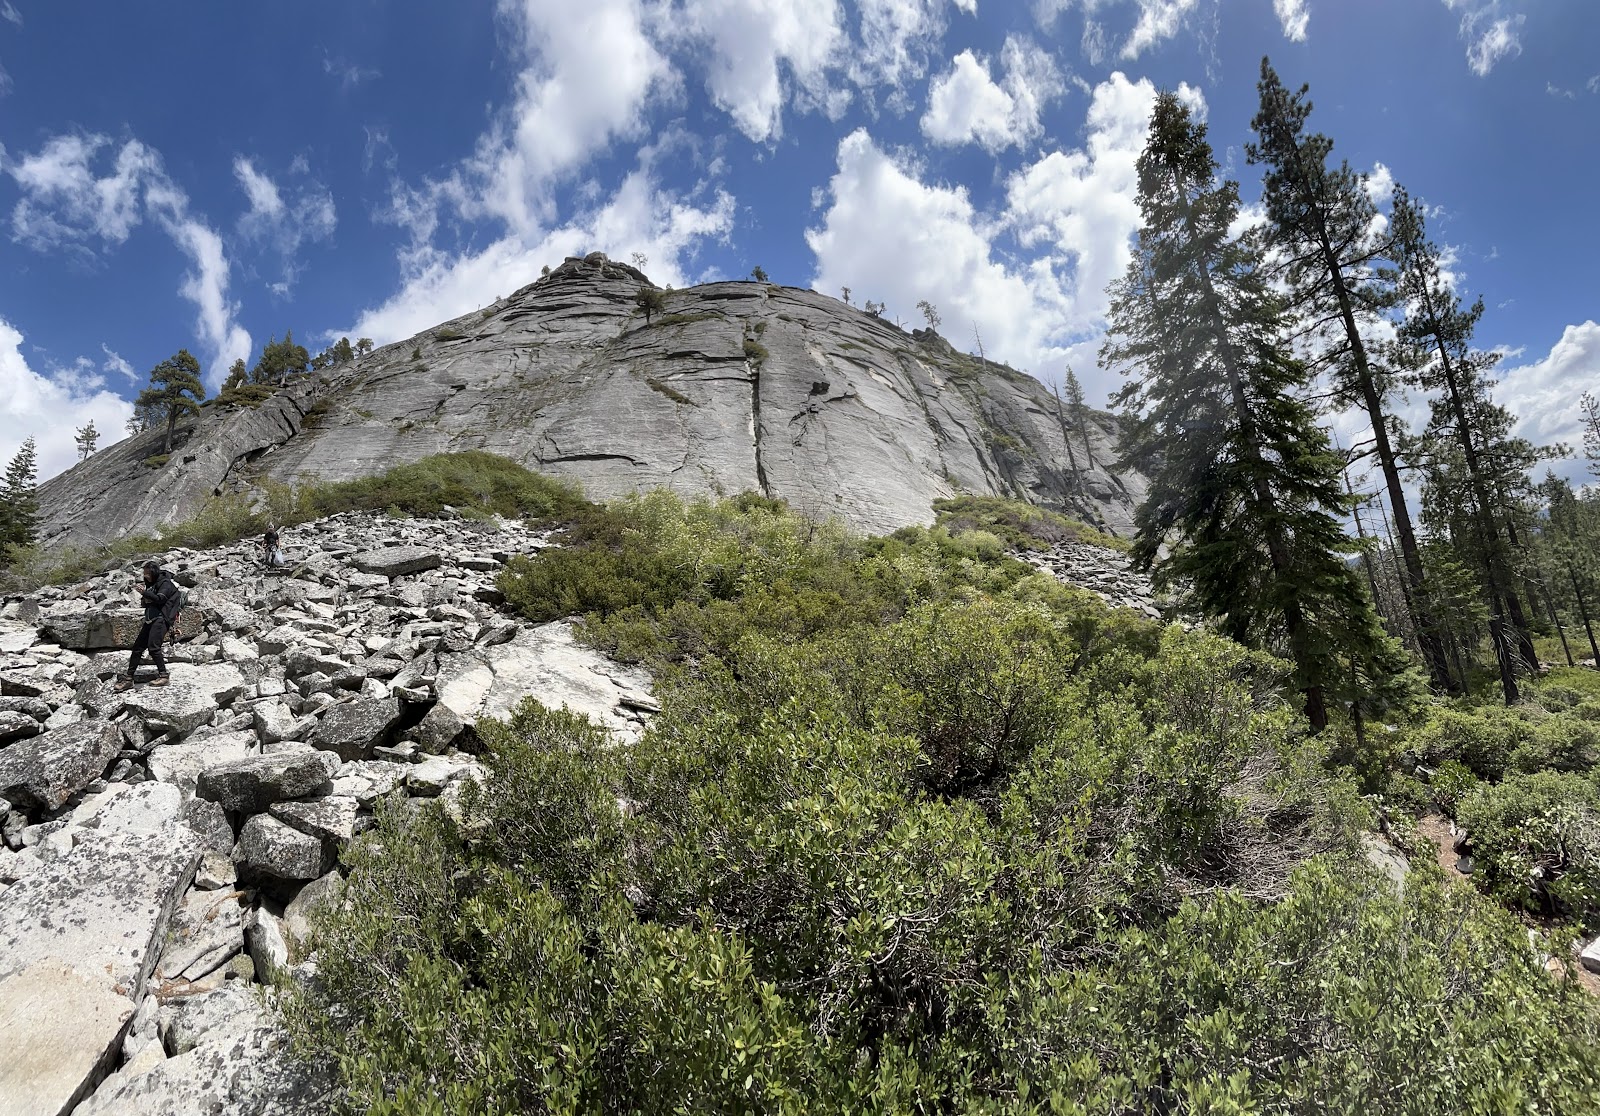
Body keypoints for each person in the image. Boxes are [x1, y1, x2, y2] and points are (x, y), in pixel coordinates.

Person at [115, 561, 180, 690]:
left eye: (147, 573)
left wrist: (145, 593)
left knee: (153, 647)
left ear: (154, 572)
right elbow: (148, 602)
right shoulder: (152, 585)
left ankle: (164, 675)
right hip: (151, 618)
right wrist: (146, 596)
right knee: (138, 647)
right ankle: (129, 678)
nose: (145, 576)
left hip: (162, 618)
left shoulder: (165, 584)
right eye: (144, 574)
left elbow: (160, 599)